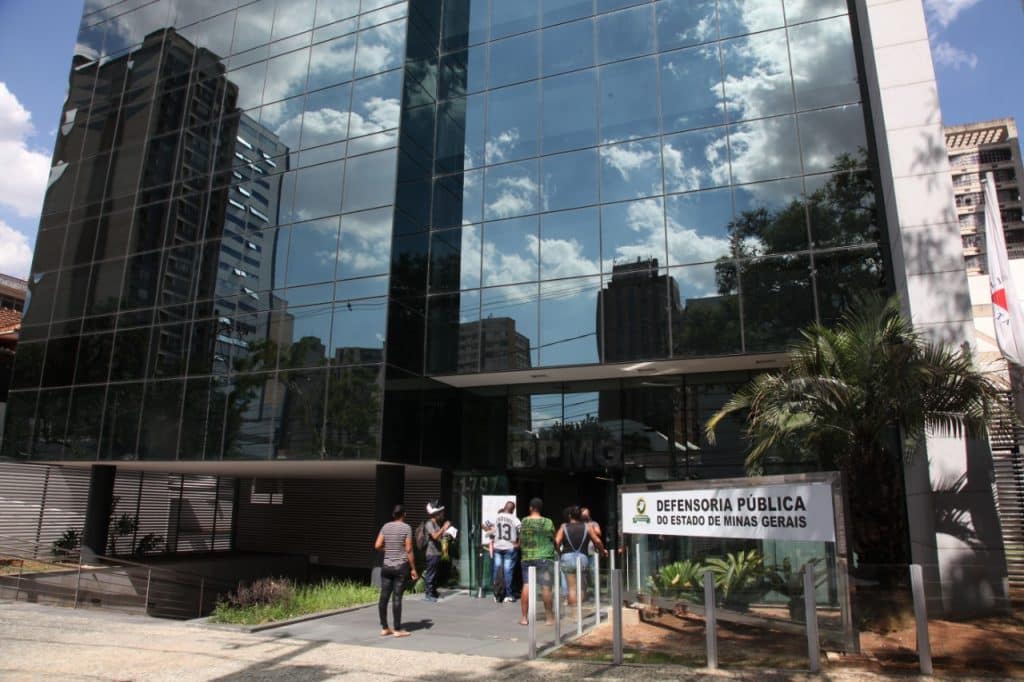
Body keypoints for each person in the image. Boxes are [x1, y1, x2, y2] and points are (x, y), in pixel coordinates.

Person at [373, 504, 418, 637]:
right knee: (397, 597)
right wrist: (413, 569)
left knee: (384, 597)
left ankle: (385, 628)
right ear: (404, 514)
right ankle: (397, 629)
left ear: (393, 515)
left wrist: (388, 550)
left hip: (386, 567)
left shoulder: (385, 526)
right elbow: (408, 549)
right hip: (400, 567)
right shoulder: (406, 528)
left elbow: (377, 545)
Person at [555, 506, 607, 606]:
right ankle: (580, 610)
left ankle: (574, 611)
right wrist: (602, 551)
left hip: (567, 557)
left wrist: (560, 553)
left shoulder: (564, 527)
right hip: (583, 557)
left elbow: (556, 542)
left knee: (571, 588)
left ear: (569, 516)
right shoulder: (587, 527)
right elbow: (597, 541)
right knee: (582, 587)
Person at [519, 497, 556, 626]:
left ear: (530, 508)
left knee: (526, 585)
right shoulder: (548, 522)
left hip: (527, 557)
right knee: (546, 586)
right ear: (541, 508)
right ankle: (549, 618)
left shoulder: (524, 521)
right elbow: (553, 538)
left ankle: (524, 618)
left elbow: (520, 539)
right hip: (544, 557)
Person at [492, 501, 521, 603]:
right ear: (513, 510)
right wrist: (518, 543)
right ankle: (508, 595)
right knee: (508, 571)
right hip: (510, 547)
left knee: (497, 570)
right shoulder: (514, 519)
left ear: (504, 507)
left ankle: (497, 594)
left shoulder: (497, 517)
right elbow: (522, 531)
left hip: (498, 546)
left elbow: (492, 530)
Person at [423, 499, 450, 602]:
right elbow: (435, 536)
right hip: (431, 553)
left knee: (435, 574)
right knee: (430, 574)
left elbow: (439, 537)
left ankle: (433, 592)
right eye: (440, 512)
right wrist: (444, 528)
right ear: (436, 513)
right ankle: (428, 594)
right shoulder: (429, 523)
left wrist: (447, 533)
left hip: (437, 552)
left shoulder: (437, 524)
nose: (442, 514)